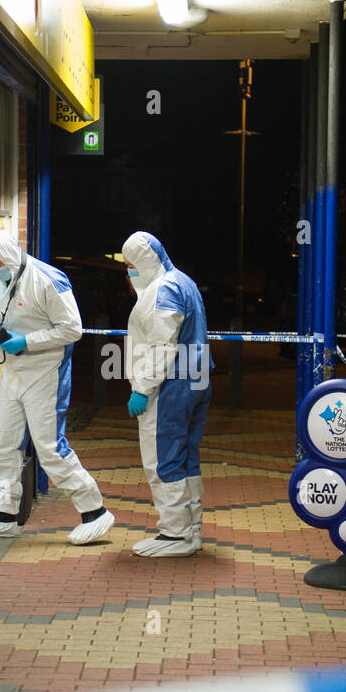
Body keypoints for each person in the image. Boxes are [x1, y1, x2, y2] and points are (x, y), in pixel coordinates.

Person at [0, 230, 114, 545]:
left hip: (46, 372)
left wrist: (26, 342)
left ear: (10, 255)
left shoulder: (47, 280)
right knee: (2, 442)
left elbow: (72, 329)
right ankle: (3, 514)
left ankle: (94, 511)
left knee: (49, 448)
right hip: (14, 372)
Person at [122, 231, 211, 558]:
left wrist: (142, 389)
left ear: (145, 261)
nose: (129, 271)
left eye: (131, 264)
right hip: (195, 380)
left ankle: (175, 534)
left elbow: (162, 346)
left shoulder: (162, 289)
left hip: (171, 386)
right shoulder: (182, 281)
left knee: (163, 459)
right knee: (186, 457)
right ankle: (191, 529)